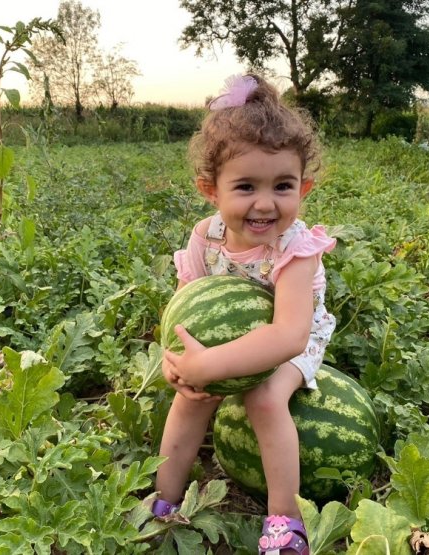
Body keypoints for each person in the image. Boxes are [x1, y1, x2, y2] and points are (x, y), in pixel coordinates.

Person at [154, 74, 336, 555]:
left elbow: (289, 334)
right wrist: (180, 363)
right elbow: (184, 309)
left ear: (305, 187)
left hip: (294, 336)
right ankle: (164, 500)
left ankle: (285, 520)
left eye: (282, 186)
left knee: (264, 398)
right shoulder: (205, 237)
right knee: (191, 399)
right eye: (245, 186)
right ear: (210, 190)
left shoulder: (296, 250)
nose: (264, 203)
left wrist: (212, 364)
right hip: (228, 341)